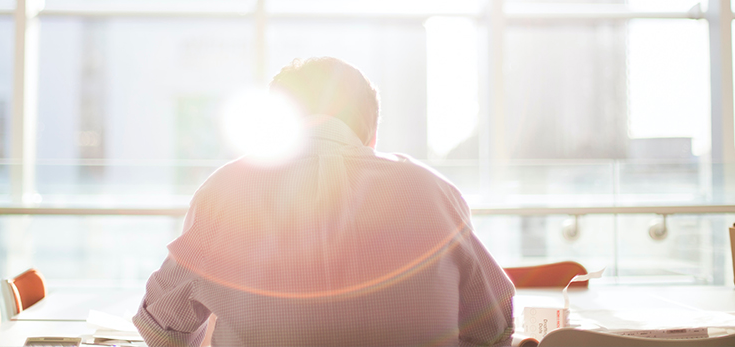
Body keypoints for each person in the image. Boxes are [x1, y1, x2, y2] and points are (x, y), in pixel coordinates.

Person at [134, 57, 515, 346]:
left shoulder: (226, 191)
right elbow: (494, 326)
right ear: (372, 132)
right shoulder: (434, 193)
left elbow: (160, 327)